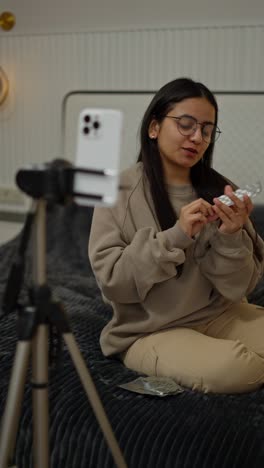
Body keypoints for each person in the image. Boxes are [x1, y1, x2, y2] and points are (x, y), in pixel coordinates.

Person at [88, 77, 264, 394]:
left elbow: (240, 287)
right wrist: (176, 236)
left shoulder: (222, 189)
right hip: (151, 329)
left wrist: (231, 235)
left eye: (207, 130)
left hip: (220, 313)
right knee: (239, 369)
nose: (197, 137)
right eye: (186, 124)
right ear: (153, 128)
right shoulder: (118, 192)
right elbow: (114, 283)